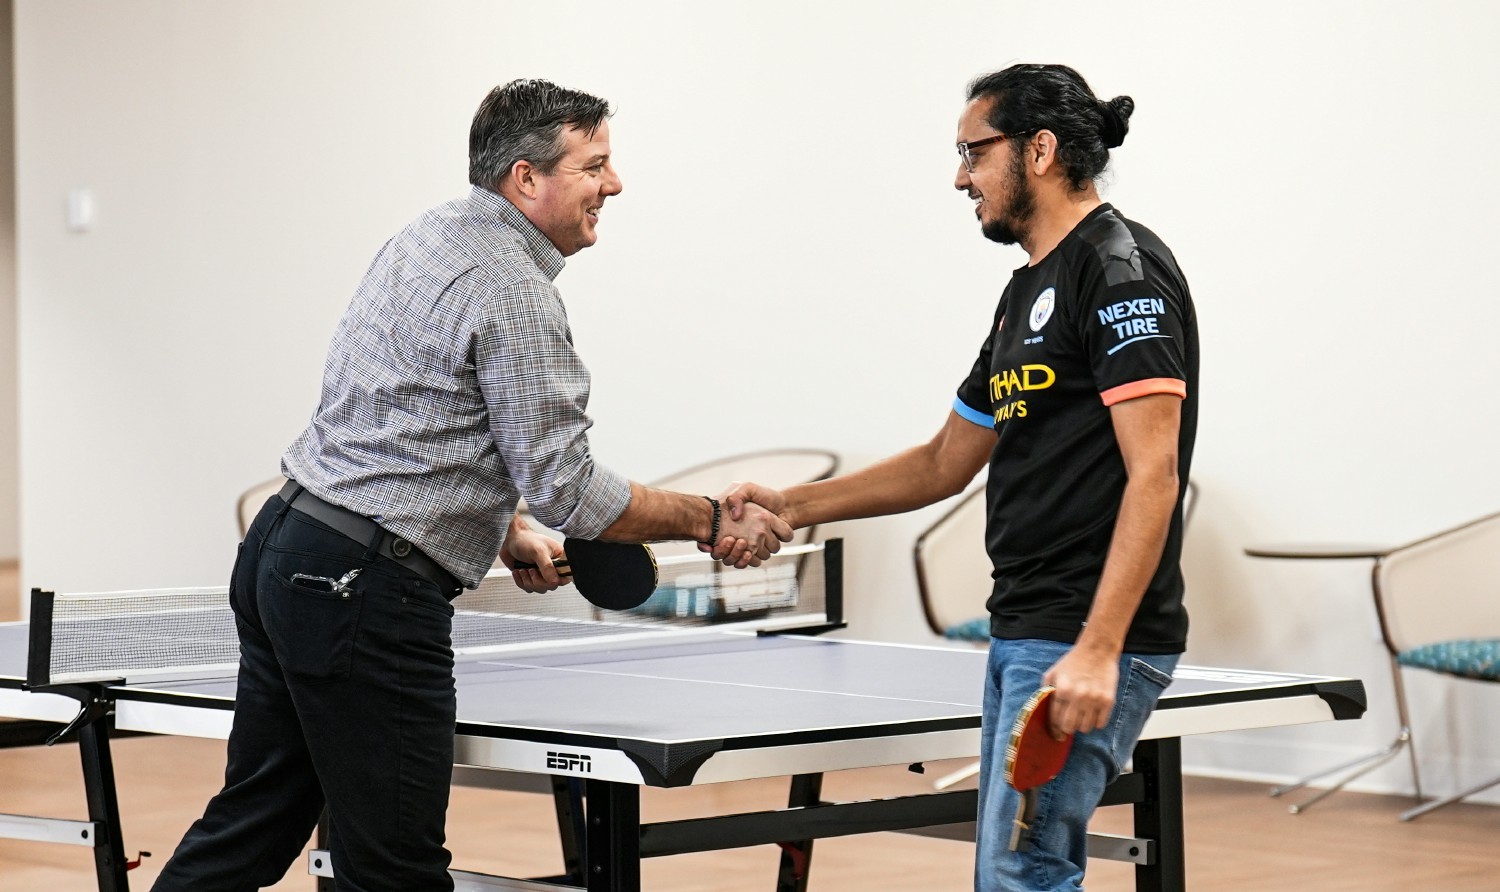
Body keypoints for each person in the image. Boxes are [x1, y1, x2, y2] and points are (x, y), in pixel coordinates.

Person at [151, 78, 790, 892]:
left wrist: (502, 523)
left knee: (252, 824)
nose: (615, 184)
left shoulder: (434, 233)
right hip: (363, 593)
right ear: (527, 178)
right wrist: (706, 517)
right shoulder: (516, 291)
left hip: (289, 548)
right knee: (396, 868)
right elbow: (574, 493)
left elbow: (410, 414)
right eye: (595, 165)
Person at [717, 64, 1198, 891]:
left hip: (1080, 637)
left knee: (1023, 874)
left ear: (1039, 150)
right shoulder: (1025, 294)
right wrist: (790, 504)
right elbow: (945, 460)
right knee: (1014, 871)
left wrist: (1097, 648)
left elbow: (1154, 476)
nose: (960, 176)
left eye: (973, 152)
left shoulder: (1121, 272)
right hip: (1030, 626)